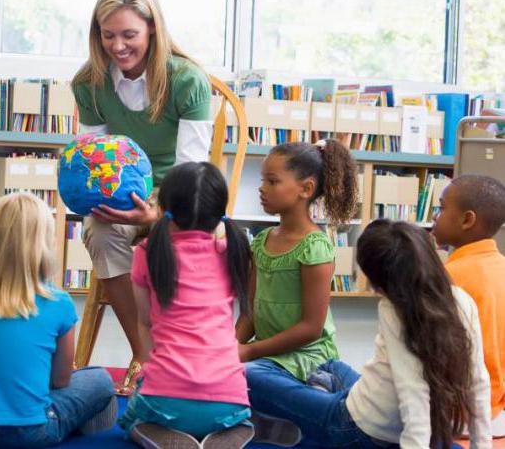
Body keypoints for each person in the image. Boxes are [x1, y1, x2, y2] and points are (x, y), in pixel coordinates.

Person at [72, 0, 213, 394]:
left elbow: (193, 172)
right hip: (123, 191)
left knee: (184, 239)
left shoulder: (187, 80)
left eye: (129, 34)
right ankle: (148, 357)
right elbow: (91, 160)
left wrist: (157, 213)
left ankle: (181, 355)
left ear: (153, 29)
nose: (118, 46)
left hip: (179, 194)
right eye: (108, 34)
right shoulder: (90, 84)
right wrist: (99, 198)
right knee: (99, 231)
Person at [245, 220, 491, 448]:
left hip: (354, 426)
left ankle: (299, 422)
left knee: (248, 374)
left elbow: (412, 393)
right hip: (372, 402)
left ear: (381, 282)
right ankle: (323, 386)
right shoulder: (461, 299)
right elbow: (478, 381)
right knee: (330, 366)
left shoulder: (395, 309)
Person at [0, 193, 116, 447]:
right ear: (44, 245)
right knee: (100, 379)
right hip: (28, 431)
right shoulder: (58, 302)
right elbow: (60, 381)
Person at [118, 162, 254, 448]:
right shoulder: (233, 251)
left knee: (130, 416)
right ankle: (232, 430)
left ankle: (153, 430)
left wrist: (146, 368)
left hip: (166, 398)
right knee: (236, 410)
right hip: (228, 399)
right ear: (220, 210)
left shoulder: (146, 253)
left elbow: (145, 323)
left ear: (163, 206)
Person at [235, 139, 358, 445]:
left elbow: (311, 329)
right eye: (263, 180)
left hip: (308, 356)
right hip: (268, 355)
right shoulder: (261, 242)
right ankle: (297, 411)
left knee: (249, 376)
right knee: (224, 371)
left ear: (305, 189)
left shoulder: (315, 246)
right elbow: (249, 311)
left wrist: (248, 352)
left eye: (272, 181)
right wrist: (228, 347)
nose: (262, 188)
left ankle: (324, 402)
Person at [432, 174, 505, 437]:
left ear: (467, 220)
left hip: (457, 415)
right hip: (496, 415)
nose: (435, 217)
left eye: (441, 208)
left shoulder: (449, 276)